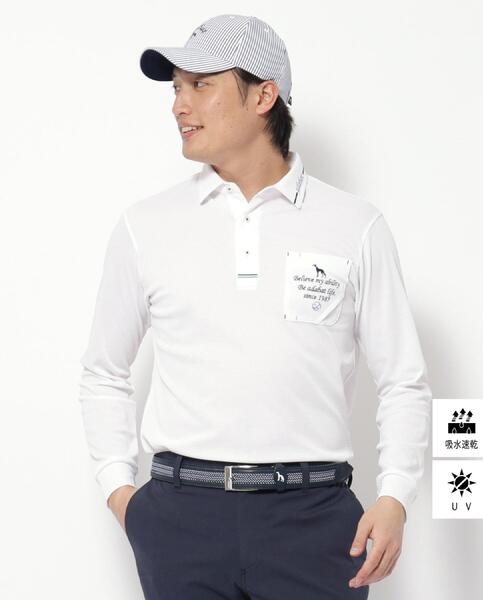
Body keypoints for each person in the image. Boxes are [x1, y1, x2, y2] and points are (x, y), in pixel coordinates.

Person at [78, 13, 432, 600]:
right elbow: (103, 370)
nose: (179, 105)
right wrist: (122, 493)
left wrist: (395, 496)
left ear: (264, 96)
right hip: (179, 521)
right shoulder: (146, 226)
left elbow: (403, 380)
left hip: (315, 522)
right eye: (177, 88)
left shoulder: (355, 226)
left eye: (201, 85)